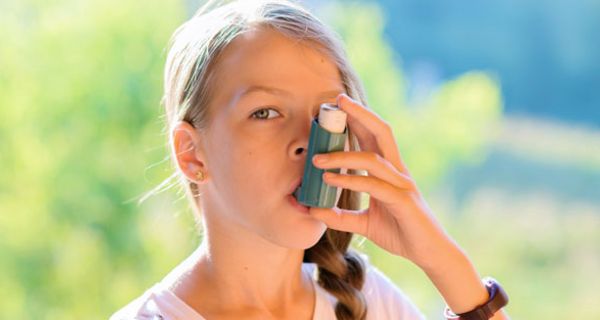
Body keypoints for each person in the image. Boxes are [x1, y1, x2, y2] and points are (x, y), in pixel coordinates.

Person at [110, 0, 511, 319]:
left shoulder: (370, 302)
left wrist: (440, 259)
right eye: (265, 113)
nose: (308, 141)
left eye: (326, 116)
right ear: (191, 153)